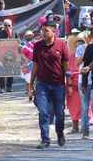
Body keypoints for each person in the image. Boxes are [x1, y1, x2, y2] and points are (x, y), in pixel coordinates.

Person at [29, 21, 70, 149]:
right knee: (43, 112)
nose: (43, 33)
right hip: (42, 84)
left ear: (54, 32)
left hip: (58, 84)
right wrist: (31, 84)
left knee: (60, 113)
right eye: (42, 30)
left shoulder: (62, 45)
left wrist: (68, 85)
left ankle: (60, 133)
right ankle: (45, 139)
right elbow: (35, 65)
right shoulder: (37, 46)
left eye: (46, 30)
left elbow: (66, 67)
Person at [77, 29, 93, 139]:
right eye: (90, 37)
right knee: (84, 107)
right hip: (83, 81)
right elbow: (78, 63)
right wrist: (85, 51)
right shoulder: (81, 48)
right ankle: (85, 132)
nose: (92, 39)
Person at [0, 19, 17, 92]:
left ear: (11, 26)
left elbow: (18, 42)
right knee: (2, 72)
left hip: (11, 54)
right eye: (5, 25)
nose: (7, 27)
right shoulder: (1, 33)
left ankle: (9, 87)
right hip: (2, 54)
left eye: (9, 25)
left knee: (10, 72)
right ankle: (2, 88)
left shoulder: (14, 33)